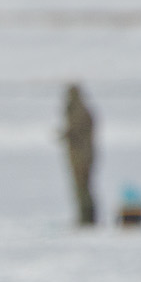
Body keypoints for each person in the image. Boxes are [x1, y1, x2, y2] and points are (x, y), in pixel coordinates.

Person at [61, 83, 97, 226]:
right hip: (80, 156)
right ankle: (85, 218)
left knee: (83, 188)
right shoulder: (78, 110)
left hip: (82, 157)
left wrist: (67, 134)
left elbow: (78, 132)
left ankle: (87, 219)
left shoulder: (78, 111)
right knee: (81, 188)